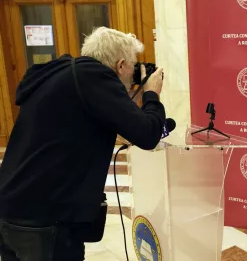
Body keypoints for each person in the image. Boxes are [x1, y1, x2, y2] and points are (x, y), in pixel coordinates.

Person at [0, 27, 166, 260]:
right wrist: (152, 95)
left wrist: (131, 102)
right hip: (46, 220)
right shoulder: (94, 77)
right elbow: (148, 135)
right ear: (120, 65)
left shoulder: (64, 75)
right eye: (132, 66)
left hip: (12, 209)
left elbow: (118, 125)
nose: (132, 76)